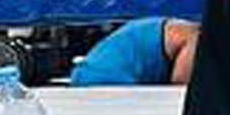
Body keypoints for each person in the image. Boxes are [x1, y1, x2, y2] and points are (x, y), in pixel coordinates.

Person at [70, 16, 200, 87]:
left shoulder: (178, 28)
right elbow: (180, 88)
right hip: (108, 79)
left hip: (89, 71)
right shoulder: (195, 37)